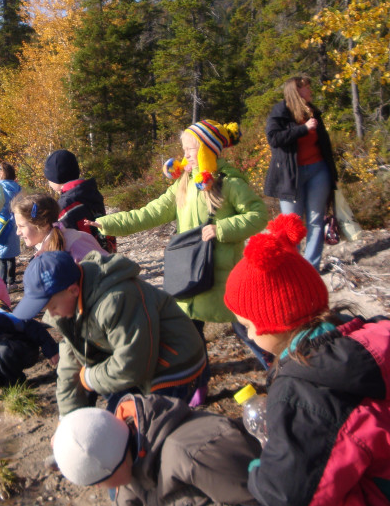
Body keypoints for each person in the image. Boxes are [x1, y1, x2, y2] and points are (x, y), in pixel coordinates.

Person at [224, 213, 390, 506]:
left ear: (274, 325)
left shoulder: (305, 388)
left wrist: (258, 469)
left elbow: (287, 495)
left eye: (248, 325)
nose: (249, 336)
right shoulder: (368, 341)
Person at [91, 120, 269, 407]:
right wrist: (105, 223)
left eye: (191, 148)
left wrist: (222, 229)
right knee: (191, 337)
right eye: (184, 148)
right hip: (190, 274)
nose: (185, 154)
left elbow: (259, 215)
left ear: (209, 150)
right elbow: (148, 214)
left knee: (246, 327)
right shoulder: (183, 183)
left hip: (226, 277)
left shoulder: (229, 183)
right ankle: (199, 383)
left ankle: (278, 365)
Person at [13, 250, 206, 416]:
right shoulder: (68, 304)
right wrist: (67, 419)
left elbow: (132, 366)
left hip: (174, 362)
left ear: (73, 290)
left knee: (143, 433)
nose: (51, 314)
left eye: (52, 307)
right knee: (111, 421)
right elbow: (68, 364)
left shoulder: (116, 299)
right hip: (139, 359)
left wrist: (89, 378)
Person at [52, 393, 261, 506]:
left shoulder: (197, 453)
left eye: (97, 482)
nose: (98, 488)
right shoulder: (125, 453)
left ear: (113, 466)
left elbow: (265, 498)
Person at [264, 75, 338, 271]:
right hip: (291, 176)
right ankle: (294, 268)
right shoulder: (281, 111)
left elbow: (324, 144)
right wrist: (303, 129)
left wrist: (332, 173)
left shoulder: (312, 111)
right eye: (307, 88)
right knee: (291, 225)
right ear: (297, 91)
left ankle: (311, 269)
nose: (311, 91)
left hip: (318, 170)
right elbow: (274, 139)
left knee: (316, 220)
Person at [43, 149, 115, 253]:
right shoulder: (89, 190)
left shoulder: (64, 205)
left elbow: (61, 239)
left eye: (49, 179)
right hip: (105, 251)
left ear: (56, 178)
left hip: (85, 259)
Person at [11, 193, 107, 262]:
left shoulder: (75, 245)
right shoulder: (45, 249)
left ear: (43, 225)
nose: (18, 232)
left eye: (21, 226)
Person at [0, 162, 22, 288]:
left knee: (1, 255)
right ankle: (12, 281)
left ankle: (2, 284)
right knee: (11, 253)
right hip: (15, 222)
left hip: (0, 222)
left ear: (0, 174)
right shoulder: (18, 188)